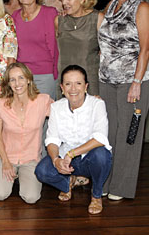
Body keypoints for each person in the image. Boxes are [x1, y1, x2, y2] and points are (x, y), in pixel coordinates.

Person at [98, 0, 149, 201]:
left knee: (128, 135)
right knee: (109, 132)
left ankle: (121, 187)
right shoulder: (111, 6)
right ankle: (106, 181)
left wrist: (136, 82)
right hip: (108, 79)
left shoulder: (141, 8)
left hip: (133, 81)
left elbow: (145, 49)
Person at [35, 65, 112, 214]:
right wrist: (56, 160)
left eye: (78, 83)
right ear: (62, 88)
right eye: (68, 84)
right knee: (42, 171)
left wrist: (72, 153)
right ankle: (68, 182)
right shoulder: (56, 108)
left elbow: (100, 138)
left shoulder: (97, 104)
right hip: (67, 159)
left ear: (86, 87)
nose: (73, 89)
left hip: (89, 157)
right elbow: (52, 139)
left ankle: (96, 195)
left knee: (102, 155)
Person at [0, 63, 52, 204]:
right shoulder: (0, 104)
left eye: (21, 78)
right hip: (6, 156)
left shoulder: (42, 101)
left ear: (29, 79)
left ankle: (21, 176)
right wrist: (5, 162)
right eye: (12, 79)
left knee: (31, 198)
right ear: (8, 83)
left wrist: (89, 101)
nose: (17, 83)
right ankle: (9, 173)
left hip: (30, 158)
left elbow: (64, 111)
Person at [12, 0, 59, 99]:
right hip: (21, 77)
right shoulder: (14, 17)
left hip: (45, 75)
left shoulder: (50, 14)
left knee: (44, 116)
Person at [56, 0, 102, 95]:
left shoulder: (97, 19)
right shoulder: (59, 21)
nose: (64, 3)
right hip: (65, 82)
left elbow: (108, 51)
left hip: (89, 81)